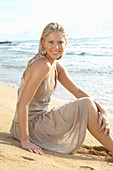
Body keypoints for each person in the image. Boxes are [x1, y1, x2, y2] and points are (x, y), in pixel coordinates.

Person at [10, 22, 113, 157]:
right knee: (87, 104)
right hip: (28, 127)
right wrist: (25, 141)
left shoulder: (56, 67)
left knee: (89, 103)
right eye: (51, 42)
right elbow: (22, 104)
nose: (56, 47)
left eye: (60, 42)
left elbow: (77, 91)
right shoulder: (43, 65)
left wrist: (102, 109)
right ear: (43, 42)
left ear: (66, 44)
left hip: (41, 120)